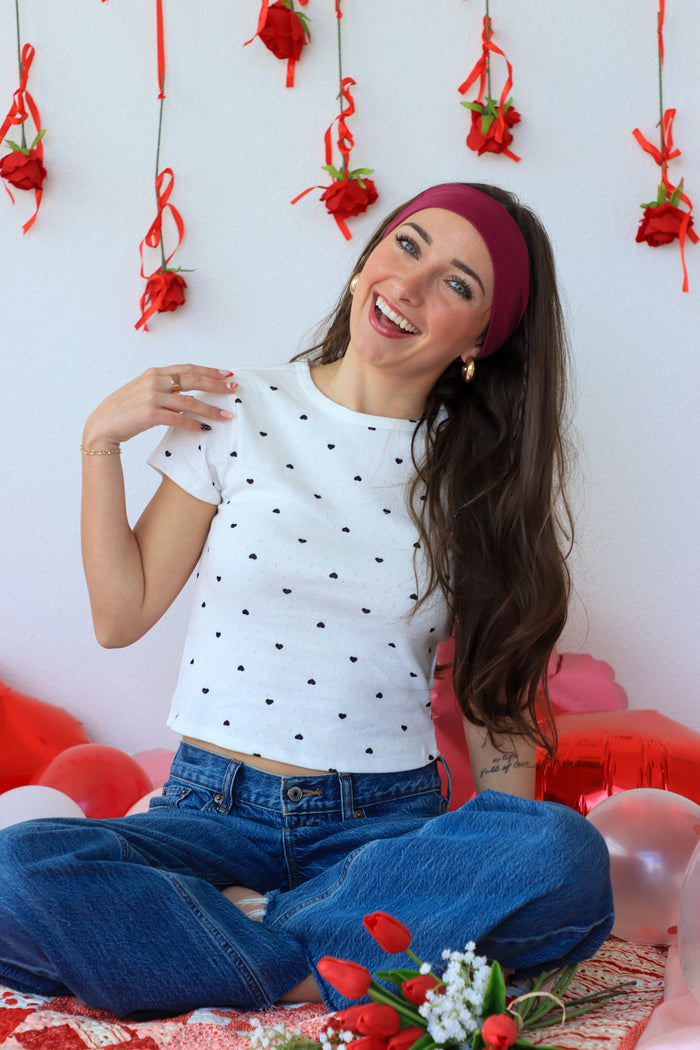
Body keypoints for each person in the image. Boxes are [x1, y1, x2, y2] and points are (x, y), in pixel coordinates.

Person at [0, 183, 614, 1017]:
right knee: (14, 869)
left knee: (561, 854)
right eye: (407, 245)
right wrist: (98, 444)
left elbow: (496, 714)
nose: (409, 285)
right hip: (207, 815)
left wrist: (493, 866)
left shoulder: (480, 484)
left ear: (481, 339)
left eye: (458, 284)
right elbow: (122, 614)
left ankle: (232, 943)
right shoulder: (234, 409)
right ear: (369, 257)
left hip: (382, 829)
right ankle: (327, 960)